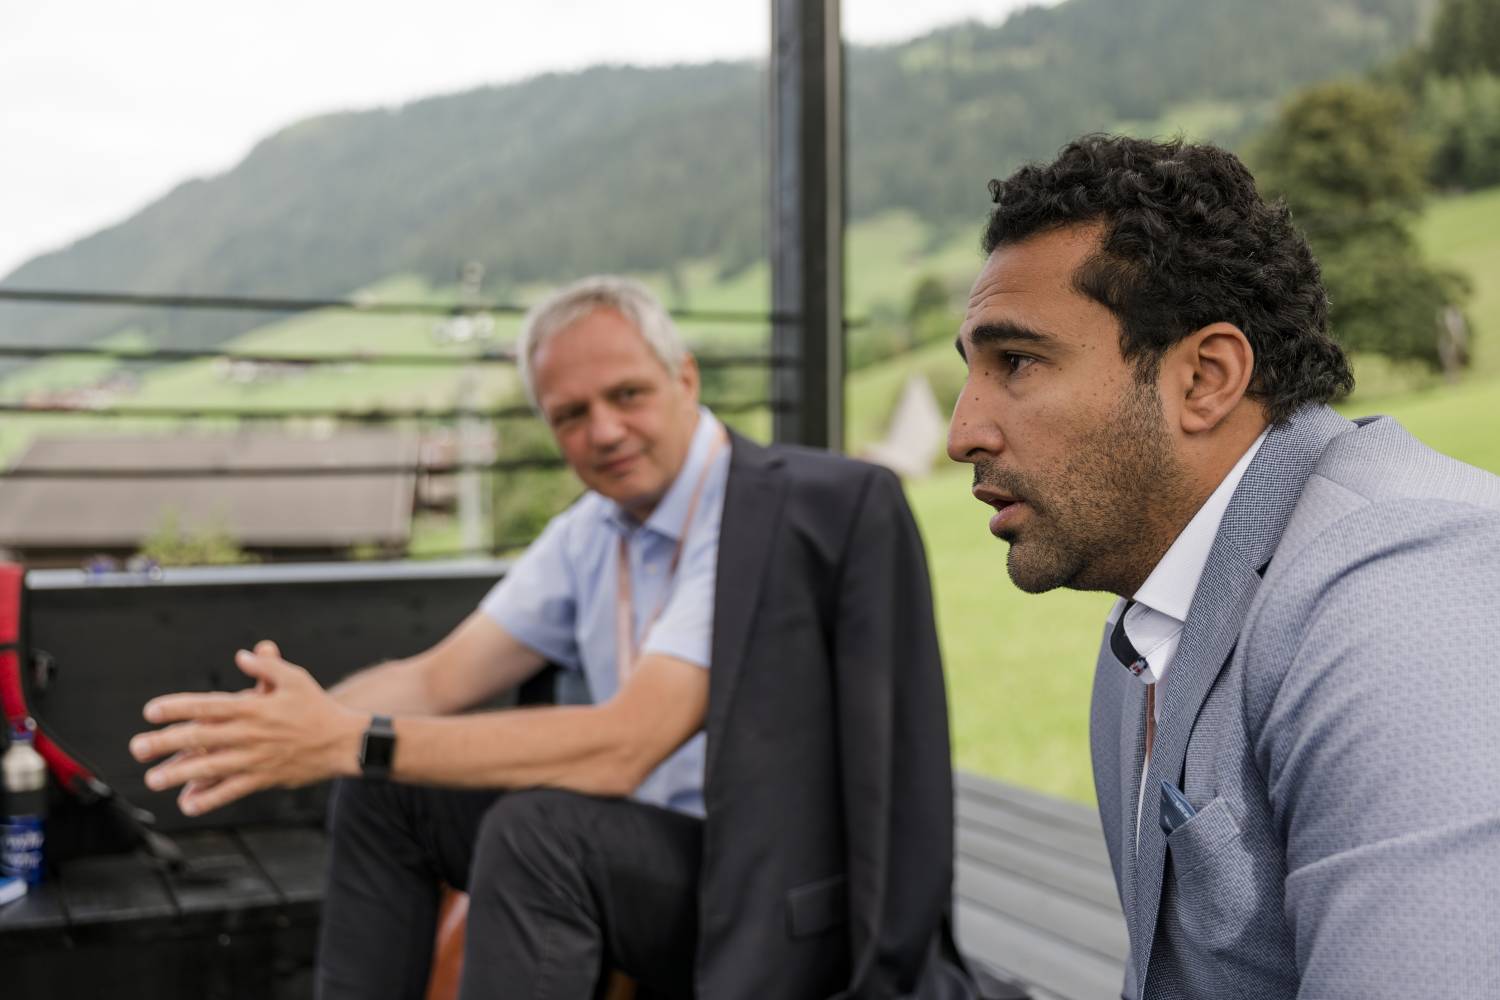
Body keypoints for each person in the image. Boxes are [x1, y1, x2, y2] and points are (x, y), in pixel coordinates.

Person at [130, 276, 996, 999]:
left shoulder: (762, 510)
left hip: (758, 892)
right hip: (638, 860)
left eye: (627, 395)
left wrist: (346, 737)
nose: (603, 431)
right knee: (385, 787)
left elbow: (627, 744)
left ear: (685, 378)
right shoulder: (593, 530)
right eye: (570, 414)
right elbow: (435, 680)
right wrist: (283, 726)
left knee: (538, 831)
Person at [946, 135, 1500, 1000]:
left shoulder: (1405, 596)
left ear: (1205, 377)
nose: (962, 432)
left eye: (1016, 362)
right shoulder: (1143, 629)